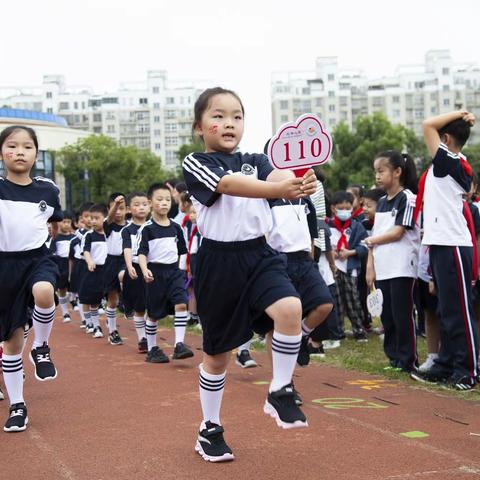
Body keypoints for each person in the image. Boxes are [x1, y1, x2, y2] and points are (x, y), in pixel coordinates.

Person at [183, 87, 316, 462]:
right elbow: (228, 186)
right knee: (217, 355)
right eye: (218, 116)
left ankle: (280, 389)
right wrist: (278, 186)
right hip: (218, 264)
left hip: (260, 255)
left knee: (291, 308)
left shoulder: (256, 160)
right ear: (199, 126)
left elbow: (281, 174)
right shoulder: (196, 162)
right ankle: (209, 428)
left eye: (237, 116)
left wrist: (302, 181)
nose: (229, 123)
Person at [0, 125, 63, 432]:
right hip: (3, 266)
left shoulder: (48, 191)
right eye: (12, 146)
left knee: (44, 292)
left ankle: (41, 346)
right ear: (2, 153)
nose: (20, 151)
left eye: (27, 146)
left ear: (37, 154)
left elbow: (51, 222)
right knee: (11, 343)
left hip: (37, 259)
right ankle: (17, 405)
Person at [411, 110, 478, 390]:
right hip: (441, 242)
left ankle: (468, 369)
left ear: (446, 138)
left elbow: (427, 123)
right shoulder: (450, 163)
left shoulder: (450, 162)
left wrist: (460, 114)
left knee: (459, 311)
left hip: (453, 244)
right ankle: (448, 364)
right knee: (446, 310)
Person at [366, 151, 420, 373]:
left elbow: (398, 232)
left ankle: (408, 360)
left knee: (402, 314)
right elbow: (375, 236)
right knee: (387, 316)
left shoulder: (407, 198)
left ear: (397, 172)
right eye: (375, 172)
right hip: (384, 266)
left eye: (382, 171)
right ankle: (394, 357)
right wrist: (371, 265)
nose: (377, 176)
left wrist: (371, 240)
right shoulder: (380, 201)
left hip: (402, 266)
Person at [137, 183, 193, 363]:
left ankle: (179, 345)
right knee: (154, 313)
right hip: (155, 273)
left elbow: (182, 250)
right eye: (159, 199)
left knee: (182, 304)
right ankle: (152, 348)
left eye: (168, 199)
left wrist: (183, 270)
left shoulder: (176, 227)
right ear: (150, 202)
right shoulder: (146, 228)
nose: (164, 203)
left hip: (174, 271)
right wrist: (145, 270)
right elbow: (142, 253)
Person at [328, 191, 369, 342]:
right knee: (336, 300)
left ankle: (359, 329)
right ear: (333, 208)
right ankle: (338, 331)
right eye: (341, 208)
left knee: (353, 298)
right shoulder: (328, 226)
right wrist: (330, 252)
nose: (345, 212)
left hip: (350, 267)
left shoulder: (356, 227)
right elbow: (322, 244)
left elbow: (365, 246)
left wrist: (351, 252)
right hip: (333, 268)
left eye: (348, 208)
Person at [122, 192, 150, 354]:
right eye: (137, 204)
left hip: (152, 268)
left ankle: (149, 335)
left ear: (150, 206)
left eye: (144, 204)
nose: (141, 208)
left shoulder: (153, 226)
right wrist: (129, 266)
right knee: (140, 306)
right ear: (129, 209)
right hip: (136, 268)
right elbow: (127, 248)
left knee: (152, 305)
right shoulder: (127, 230)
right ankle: (142, 338)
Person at [79, 204, 108, 339]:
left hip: (107, 270)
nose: (93, 221)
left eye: (97, 218)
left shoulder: (109, 234)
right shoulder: (89, 235)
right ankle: (94, 325)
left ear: (105, 218)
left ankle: (105, 321)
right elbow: (85, 250)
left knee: (107, 298)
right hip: (93, 270)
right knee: (92, 299)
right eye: (91, 218)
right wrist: (89, 261)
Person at [103, 194, 128, 346]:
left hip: (127, 261)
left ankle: (126, 302)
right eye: (115, 208)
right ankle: (112, 331)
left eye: (122, 208)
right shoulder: (109, 225)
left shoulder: (131, 226)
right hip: (112, 262)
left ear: (127, 210)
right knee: (112, 300)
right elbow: (110, 218)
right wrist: (115, 205)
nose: (118, 211)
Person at [49, 212, 75, 323]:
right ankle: (65, 313)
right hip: (61, 264)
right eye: (64, 222)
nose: (66, 224)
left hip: (73, 264)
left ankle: (75, 302)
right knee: (62, 289)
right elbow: (53, 252)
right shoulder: (56, 238)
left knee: (75, 288)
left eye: (68, 222)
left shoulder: (74, 237)